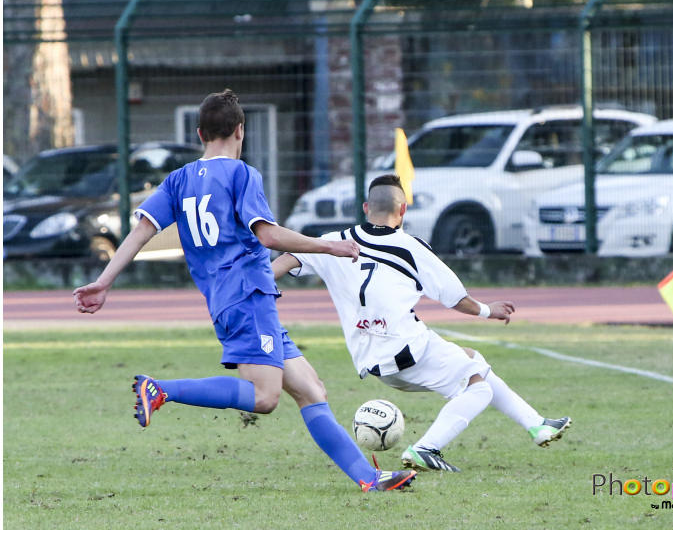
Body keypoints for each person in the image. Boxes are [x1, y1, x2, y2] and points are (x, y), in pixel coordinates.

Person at [72, 90, 416, 492]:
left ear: (200, 133)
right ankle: (161, 389)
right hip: (248, 295)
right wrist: (331, 245)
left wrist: (104, 281)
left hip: (229, 299)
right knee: (265, 397)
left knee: (310, 389)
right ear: (240, 130)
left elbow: (140, 232)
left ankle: (369, 478)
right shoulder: (242, 174)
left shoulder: (178, 180)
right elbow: (267, 235)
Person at [271, 173, 571, 472]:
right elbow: (457, 299)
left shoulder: (332, 242)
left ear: (365, 207)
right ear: (403, 210)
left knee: (472, 359)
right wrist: (487, 310)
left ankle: (537, 425)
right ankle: (425, 449)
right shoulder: (411, 247)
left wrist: (258, 289)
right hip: (406, 348)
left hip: (370, 359)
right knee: (479, 389)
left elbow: (283, 262)